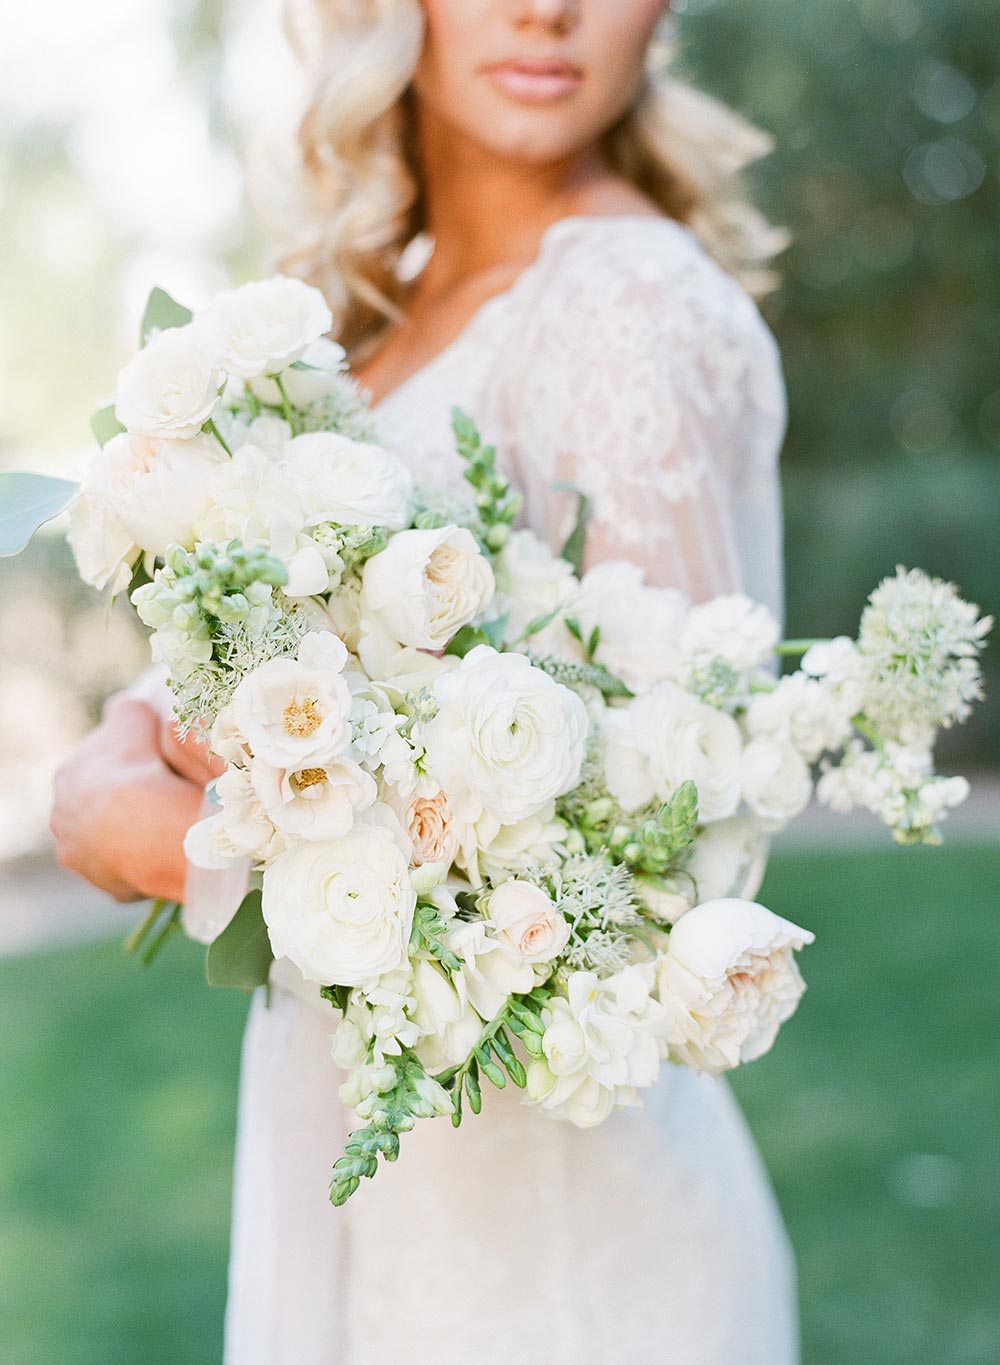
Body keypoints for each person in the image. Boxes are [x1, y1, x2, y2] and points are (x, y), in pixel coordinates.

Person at [51, 1, 797, 1360]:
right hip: (390, 1188)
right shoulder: (396, 300)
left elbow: (655, 896)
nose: (547, 9)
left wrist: (181, 856)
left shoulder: (625, 307)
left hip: (564, 1262)